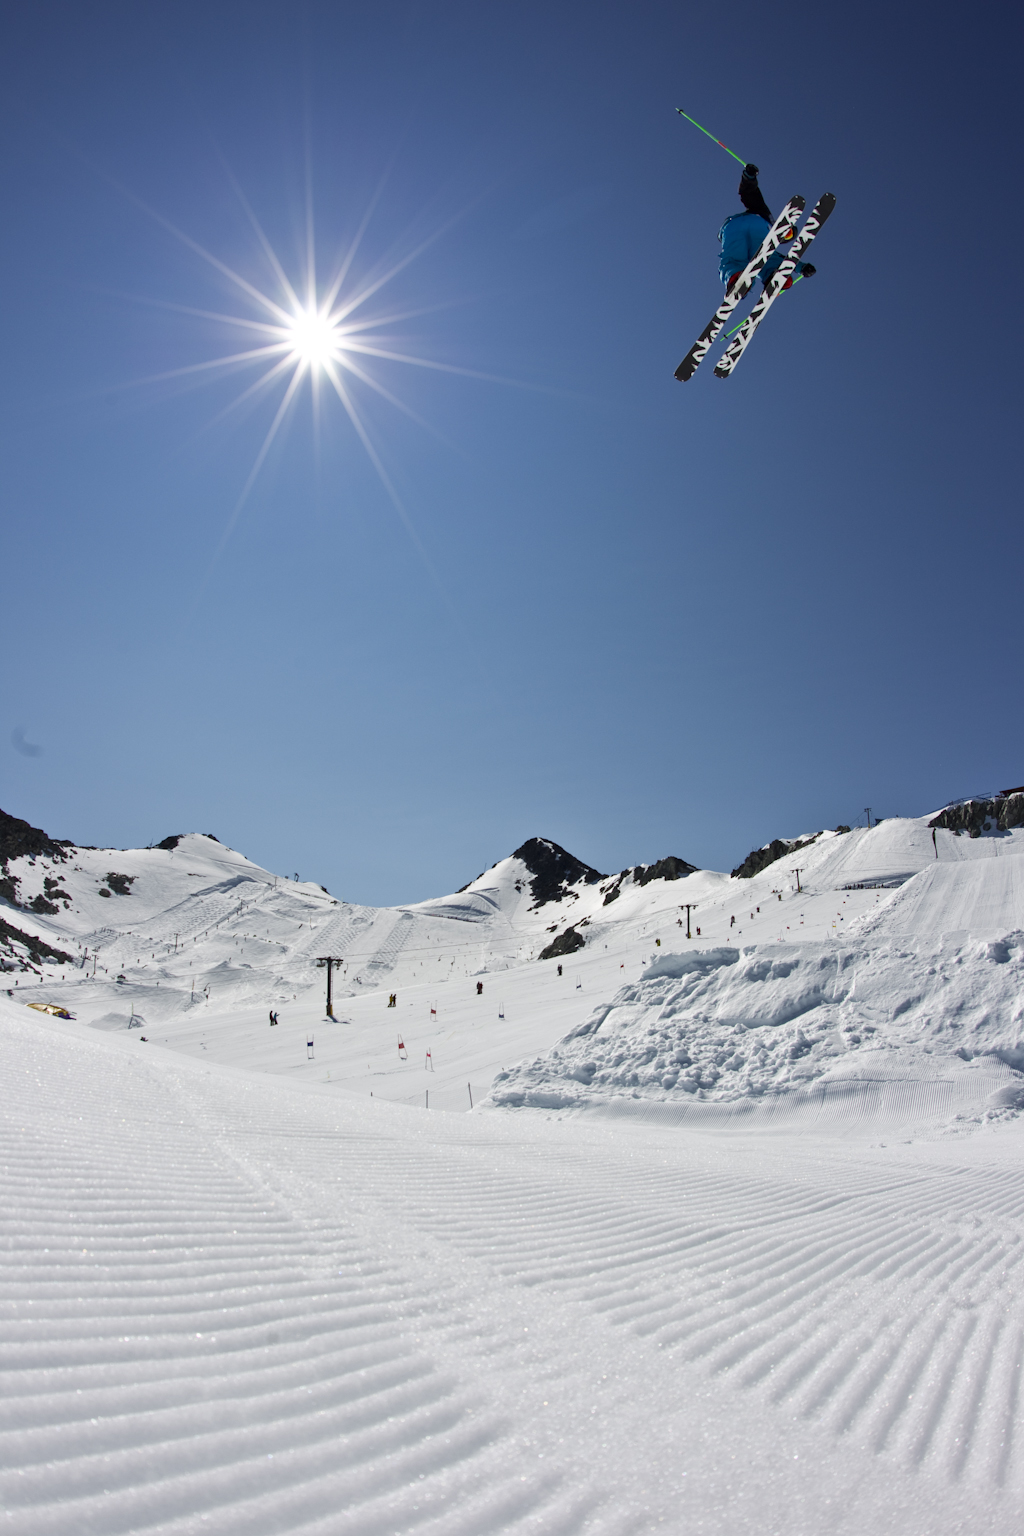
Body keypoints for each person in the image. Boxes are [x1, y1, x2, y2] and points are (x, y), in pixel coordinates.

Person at [719, 164, 815, 294]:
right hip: (739, 226)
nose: (785, 234)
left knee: (764, 256)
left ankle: (764, 276)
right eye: (786, 231)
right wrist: (749, 177)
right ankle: (738, 276)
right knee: (745, 254)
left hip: (739, 230)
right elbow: (750, 193)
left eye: (787, 235)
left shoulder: (770, 237)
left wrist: (802, 267)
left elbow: (784, 258)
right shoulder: (765, 215)